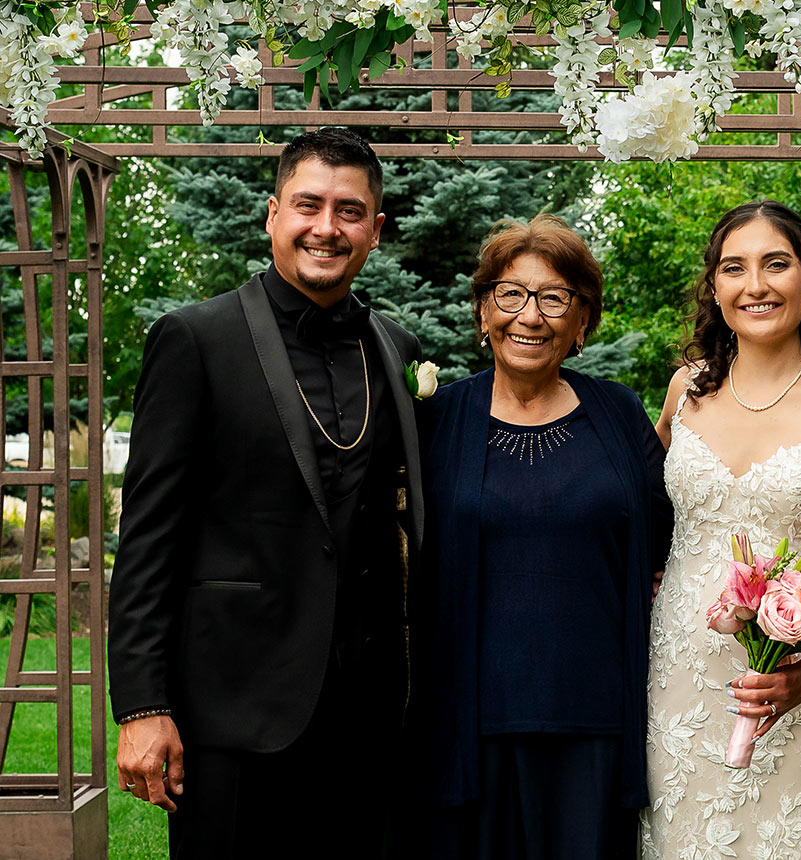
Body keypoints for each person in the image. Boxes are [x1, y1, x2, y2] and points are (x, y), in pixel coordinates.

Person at [108, 128, 423, 858]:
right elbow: (149, 536)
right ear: (272, 213)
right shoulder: (195, 339)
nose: (326, 227)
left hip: (367, 714)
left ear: (374, 230)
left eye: (348, 212)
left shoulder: (395, 346)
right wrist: (143, 706)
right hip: (232, 710)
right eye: (308, 205)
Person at [641, 201, 801, 858]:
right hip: (681, 688)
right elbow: (640, 514)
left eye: (774, 264)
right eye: (733, 268)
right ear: (715, 288)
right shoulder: (683, 392)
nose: (754, 285)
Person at [413, 215, 672, 859]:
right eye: (511, 294)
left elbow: (666, 541)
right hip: (469, 731)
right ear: (483, 311)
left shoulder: (618, 414)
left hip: (596, 729)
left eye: (555, 298)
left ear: (581, 322)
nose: (530, 315)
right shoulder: (438, 421)